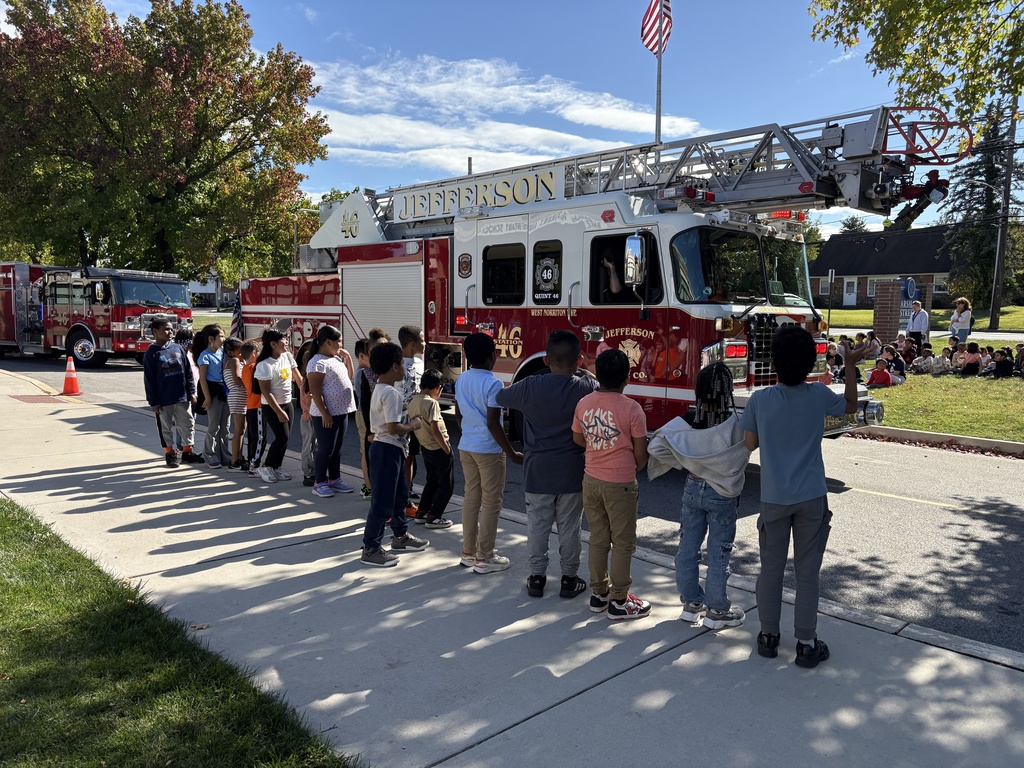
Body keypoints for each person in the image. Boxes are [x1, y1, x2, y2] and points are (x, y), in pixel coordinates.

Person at [741, 325, 868, 668]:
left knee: (771, 569)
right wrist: (851, 364)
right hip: (812, 495)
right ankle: (807, 642)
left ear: (774, 362)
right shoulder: (817, 395)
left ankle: (768, 636)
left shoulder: (761, 399)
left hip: (774, 497)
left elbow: (749, 444)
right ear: (811, 362)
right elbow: (851, 407)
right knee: (807, 572)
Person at [494, 330, 598, 599]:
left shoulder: (530, 386)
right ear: (579, 361)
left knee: (537, 527)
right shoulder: (585, 388)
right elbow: (600, 387)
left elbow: (500, 398)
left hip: (537, 472)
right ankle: (569, 579)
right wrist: (586, 373)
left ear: (546, 360)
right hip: (572, 472)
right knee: (570, 528)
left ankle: (537, 578)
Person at [657, 363, 750, 630]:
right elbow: (747, 450)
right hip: (722, 493)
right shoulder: (737, 423)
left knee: (687, 550)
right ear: (728, 391)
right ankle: (717, 610)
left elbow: (657, 445)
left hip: (692, 487)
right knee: (719, 554)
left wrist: (688, 462)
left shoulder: (687, 421)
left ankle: (691, 604)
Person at [572, 349, 651, 620]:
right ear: (626, 378)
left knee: (598, 538)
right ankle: (620, 600)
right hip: (621, 483)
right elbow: (641, 453)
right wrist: (633, 465)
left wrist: (598, 447)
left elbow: (578, 438)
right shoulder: (632, 409)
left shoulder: (584, 403)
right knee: (623, 542)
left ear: (598, 376)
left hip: (590, 478)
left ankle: (599, 594)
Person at [455, 332, 524, 573]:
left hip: (467, 445)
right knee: (492, 502)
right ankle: (485, 557)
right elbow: (494, 423)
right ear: (493, 356)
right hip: (488, 449)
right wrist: (512, 453)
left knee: (471, 499)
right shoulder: (493, 383)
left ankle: (468, 552)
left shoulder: (462, 378)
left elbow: (458, 414)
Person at [360, 341, 429, 567]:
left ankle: (400, 535)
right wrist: (413, 425)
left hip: (390, 449)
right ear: (394, 367)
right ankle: (371, 547)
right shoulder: (391, 393)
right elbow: (392, 427)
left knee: (400, 495)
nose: (403, 366)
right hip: (388, 448)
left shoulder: (380, 388)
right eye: (400, 363)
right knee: (383, 502)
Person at [143, 317, 204, 467]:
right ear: (155, 332)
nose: (171, 332)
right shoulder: (151, 353)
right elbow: (149, 380)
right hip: (163, 400)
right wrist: (154, 401)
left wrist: (191, 392)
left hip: (182, 397)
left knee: (187, 424)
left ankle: (187, 452)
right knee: (166, 428)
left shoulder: (178, 348)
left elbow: (188, 373)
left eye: (171, 329)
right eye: (166, 329)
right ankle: (170, 453)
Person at [306, 325, 357, 498]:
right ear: (328, 342)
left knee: (336, 448)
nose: (341, 345)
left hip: (341, 411)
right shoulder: (317, 363)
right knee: (326, 448)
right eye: (339, 341)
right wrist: (325, 412)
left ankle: (334, 479)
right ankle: (319, 482)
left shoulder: (335, 359)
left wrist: (348, 359)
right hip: (326, 414)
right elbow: (315, 391)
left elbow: (348, 378)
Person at [254, 329, 303, 483]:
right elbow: (266, 393)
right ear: (273, 344)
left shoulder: (287, 356)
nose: (287, 342)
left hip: (288, 402)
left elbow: (299, 379)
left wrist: (307, 393)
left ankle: (276, 467)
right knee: (282, 437)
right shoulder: (264, 364)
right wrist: (279, 411)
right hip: (272, 406)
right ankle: (266, 466)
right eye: (284, 340)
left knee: (285, 439)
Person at [408, 369, 455, 528]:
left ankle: (422, 512)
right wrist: (447, 450)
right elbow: (436, 430)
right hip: (438, 448)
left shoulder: (413, 401)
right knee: (446, 485)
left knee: (432, 481)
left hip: (426, 447)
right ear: (438, 388)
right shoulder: (431, 403)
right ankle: (435, 516)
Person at [358, 327, 393, 502]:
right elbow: (365, 405)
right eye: (376, 350)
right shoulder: (366, 374)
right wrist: (371, 431)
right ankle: (374, 491)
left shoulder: (395, 371)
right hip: (374, 426)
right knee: (375, 461)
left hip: (392, 426)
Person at [195, 324, 230, 468]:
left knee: (225, 427)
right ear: (211, 338)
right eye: (220, 336)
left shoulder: (223, 352)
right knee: (213, 426)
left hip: (224, 392)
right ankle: (210, 455)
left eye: (223, 336)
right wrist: (207, 398)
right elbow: (202, 379)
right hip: (213, 392)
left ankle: (224, 455)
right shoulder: (205, 355)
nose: (223, 339)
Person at [398, 325, 425, 502]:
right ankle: (401, 492)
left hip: (415, 419)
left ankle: (408, 489)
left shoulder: (421, 363)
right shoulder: (396, 365)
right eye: (422, 340)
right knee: (401, 457)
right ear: (412, 345)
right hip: (399, 420)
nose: (425, 343)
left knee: (412, 456)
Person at [240, 341, 266, 476]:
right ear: (254, 354)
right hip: (257, 406)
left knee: (253, 436)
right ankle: (254, 464)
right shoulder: (254, 367)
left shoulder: (245, 368)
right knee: (260, 437)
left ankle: (252, 460)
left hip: (251, 405)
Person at [222, 336, 248, 471]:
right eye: (239, 351)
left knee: (242, 429)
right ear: (231, 352)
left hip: (239, 396)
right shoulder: (235, 361)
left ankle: (239, 456)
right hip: (238, 395)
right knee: (238, 430)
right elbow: (238, 379)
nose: (241, 354)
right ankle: (234, 460)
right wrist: (250, 385)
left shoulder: (234, 360)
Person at [296, 339, 318, 487]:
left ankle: (314, 470)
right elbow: (309, 400)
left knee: (314, 445)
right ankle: (308, 473)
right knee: (309, 446)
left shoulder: (305, 378)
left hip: (309, 416)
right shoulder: (309, 380)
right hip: (309, 417)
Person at [352, 338, 372, 499]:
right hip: (363, 414)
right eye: (370, 354)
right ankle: (368, 486)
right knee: (366, 452)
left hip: (369, 414)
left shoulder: (366, 371)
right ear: (361, 357)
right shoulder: (362, 373)